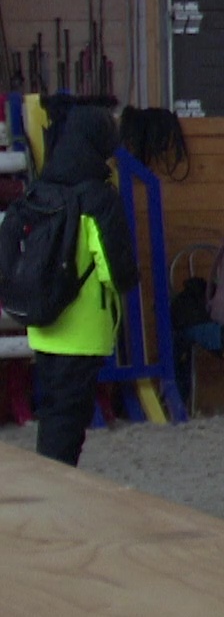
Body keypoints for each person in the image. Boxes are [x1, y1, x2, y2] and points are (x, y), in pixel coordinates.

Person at [20, 108, 137, 467]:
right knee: (68, 421)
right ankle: (57, 496)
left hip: (42, 323)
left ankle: (53, 483)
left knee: (54, 410)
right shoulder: (98, 197)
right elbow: (116, 273)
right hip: (82, 329)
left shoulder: (41, 190)